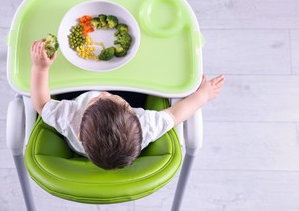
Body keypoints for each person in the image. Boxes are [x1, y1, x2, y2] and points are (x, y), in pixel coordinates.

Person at [30, 39, 225, 170]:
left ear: (79, 135)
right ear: (134, 115)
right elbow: (175, 115)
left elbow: (41, 103)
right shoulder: (145, 126)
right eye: (112, 97)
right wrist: (203, 96)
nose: (105, 92)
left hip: (79, 104)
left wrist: (40, 68)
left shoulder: (68, 117)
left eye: (100, 98)